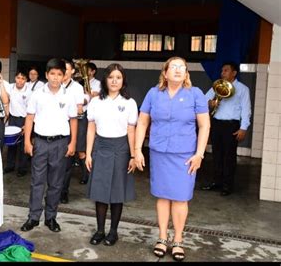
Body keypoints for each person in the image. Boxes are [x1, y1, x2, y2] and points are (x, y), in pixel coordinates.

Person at [133, 56, 210, 261]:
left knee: (180, 197)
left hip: (185, 155)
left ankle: (177, 239)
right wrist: (137, 150)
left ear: (186, 73)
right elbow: (142, 123)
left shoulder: (195, 94)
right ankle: (161, 237)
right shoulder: (153, 93)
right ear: (165, 73)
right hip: (159, 153)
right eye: (173, 67)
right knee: (162, 196)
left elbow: (204, 126)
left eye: (182, 68)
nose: (178, 70)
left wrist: (200, 153)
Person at [20, 58, 77, 233]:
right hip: (41, 142)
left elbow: (73, 120)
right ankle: (33, 217)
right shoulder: (37, 94)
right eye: (52, 74)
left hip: (60, 143)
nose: (55, 77)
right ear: (46, 75)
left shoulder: (68, 96)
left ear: (64, 76)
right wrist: (27, 141)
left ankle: (51, 217)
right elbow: (29, 118)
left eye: (59, 74)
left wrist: (73, 143)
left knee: (56, 183)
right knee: (37, 181)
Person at [85, 63, 138, 246]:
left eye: (118, 77)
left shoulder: (129, 103)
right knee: (100, 192)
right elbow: (91, 128)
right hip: (100, 146)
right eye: (111, 77)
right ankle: (100, 230)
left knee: (117, 192)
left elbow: (131, 130)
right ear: (105, 80)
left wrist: (133, 155)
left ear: (123, 81)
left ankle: (113, 232)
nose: (114, 81)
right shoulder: (95, 101)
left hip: (121, 148)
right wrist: (89, 153)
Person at [201, 62, 251, 196]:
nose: (222, 73)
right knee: (217, 154)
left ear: (234, 73)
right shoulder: (217, 86)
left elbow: (246, 110)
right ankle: (217, 182)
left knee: (229, 156)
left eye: (226, 70)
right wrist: (210, 103)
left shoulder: (243, 89)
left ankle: (227, 186)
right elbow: (203, 100)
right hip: (217, 124)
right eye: (222, 70)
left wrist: (243, 128)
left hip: (231, 125)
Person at [60, 58, 85, 204]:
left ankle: (64, 192)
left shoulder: (77, 88)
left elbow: (79, 109)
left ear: (72, 72)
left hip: (71, 125)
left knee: (67, 162)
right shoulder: (52, 86)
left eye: (66, 69)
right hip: (55, 127)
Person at [77, 62, 101, 185]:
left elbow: (96, 97)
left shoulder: (98, 83)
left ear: (93, 72)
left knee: (85, 145)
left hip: (91, 115)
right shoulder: (78, 83)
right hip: (80, 115)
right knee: (79, 145)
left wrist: (90, 94)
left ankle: (87, 174)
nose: (84, 73)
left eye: (87, 70)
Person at [4, 70, 32, 177]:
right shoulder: (10, 87)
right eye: (18, 78)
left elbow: (31, 111)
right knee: (11, 144)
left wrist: (26, 125)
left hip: (24, 120)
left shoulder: (29, 92)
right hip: (12, 119)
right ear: (15, 78)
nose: (20, 81)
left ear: (26, 80)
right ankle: (10, 166)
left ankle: (22, 168)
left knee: (22, 145)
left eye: (23, 78)